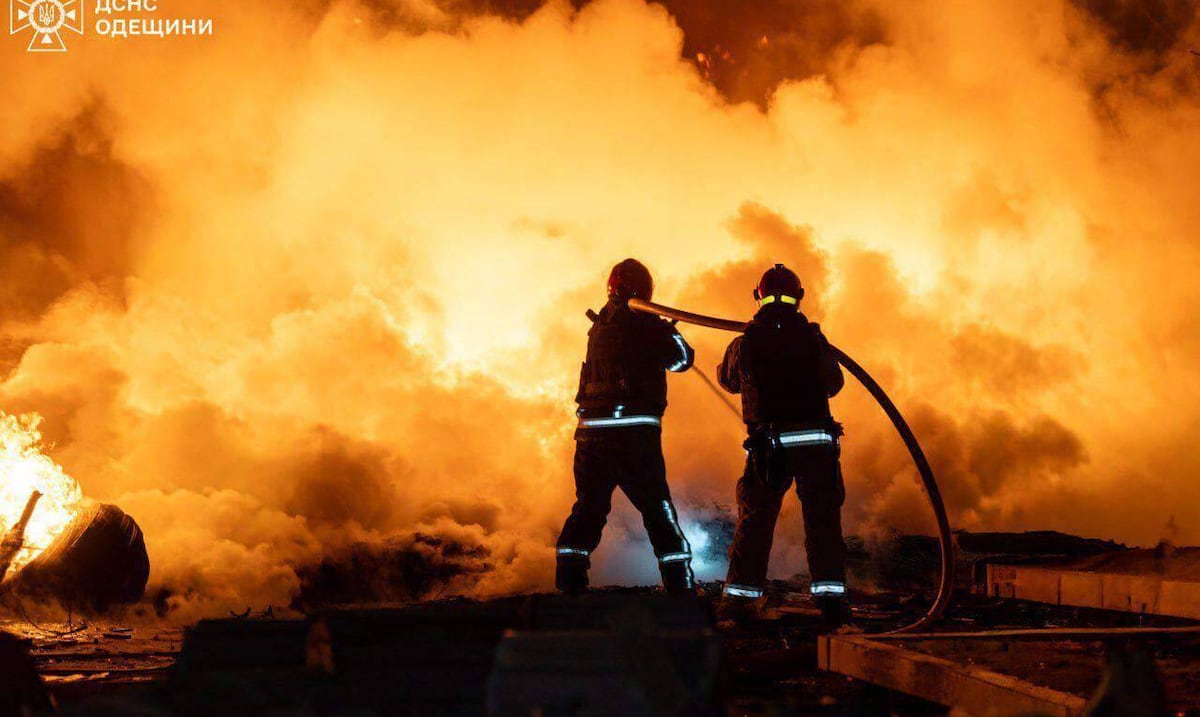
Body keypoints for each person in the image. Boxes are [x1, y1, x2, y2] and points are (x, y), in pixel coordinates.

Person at [717, 264, 850, 626]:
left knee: (756, 523)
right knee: (823, 524)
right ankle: (831, 603)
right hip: (816, 448)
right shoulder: (814, 340)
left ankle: (740, 602)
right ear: (799, 296)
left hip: (770, 449)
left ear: (757, 296)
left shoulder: (745, 343)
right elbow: (834, 384)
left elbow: (727, 380)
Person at [555, 258, 697, 595]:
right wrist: (669, 329)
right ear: (646, 289)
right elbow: (682, 360)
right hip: (633, 437)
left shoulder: (599, 326)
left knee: (588, 507)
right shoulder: (647, 325)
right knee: (658, 509)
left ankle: (569, 584)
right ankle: (680, 587)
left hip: (591, 436)